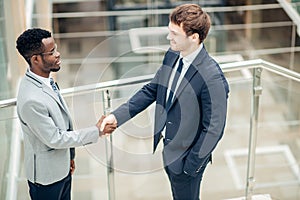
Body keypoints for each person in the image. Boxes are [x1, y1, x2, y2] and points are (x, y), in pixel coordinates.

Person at [102, 4, 229, 200]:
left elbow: (214, 129)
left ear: (194, 37)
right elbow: (152, 89)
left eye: (174, 34)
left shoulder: (212, 77)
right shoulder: (172, 55)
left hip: (187, 162)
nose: (168, 37)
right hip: (169, 150)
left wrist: (190, 167)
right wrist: (117, 116)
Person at [16, 28, 116, 200]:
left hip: (62, 169)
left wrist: (70, 156)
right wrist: (97, 130)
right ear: (36, 59)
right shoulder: (31, 99)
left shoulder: (46, 80)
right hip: (46, 181)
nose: (58, 54)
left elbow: (63, 122)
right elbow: (55, 138)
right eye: (52, 52)